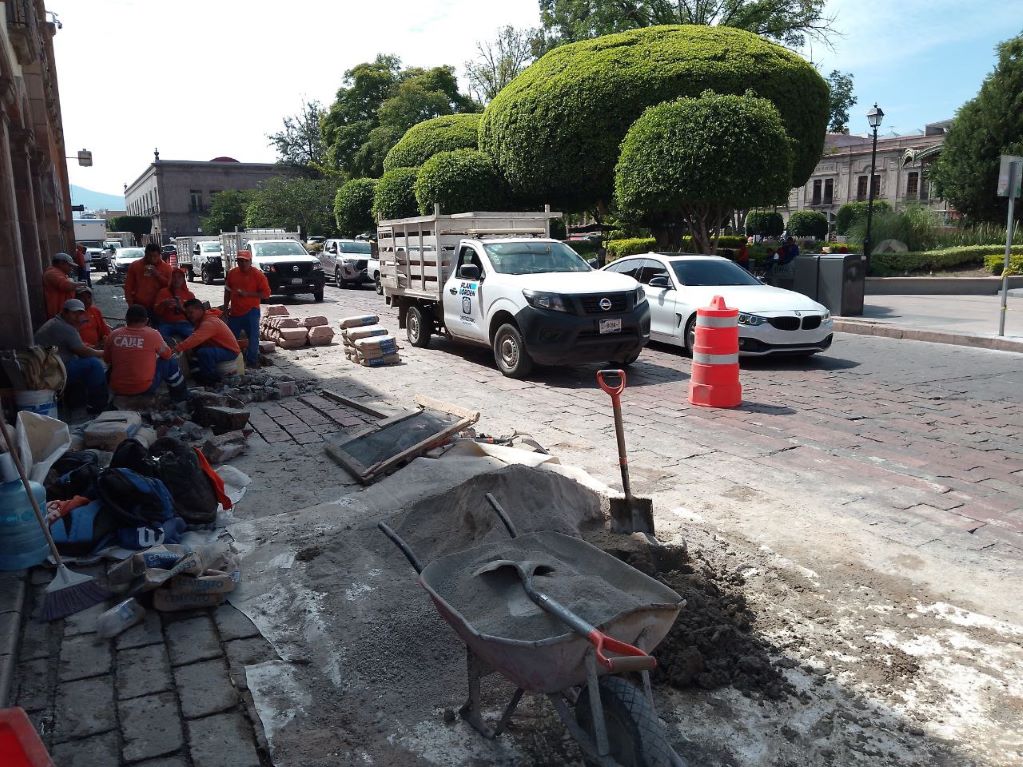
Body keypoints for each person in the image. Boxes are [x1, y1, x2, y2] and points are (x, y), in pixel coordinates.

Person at [34, 299, 108, 414]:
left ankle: (80, 402)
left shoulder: (55, 322)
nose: (77, 317)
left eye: (80, 314)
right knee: (95, 365)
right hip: (52, 370)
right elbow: (82, 351)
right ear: (64, 312)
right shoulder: (64, 327)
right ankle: (98, 404)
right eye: (74, 313)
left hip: (50, 364)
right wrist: (104, 353)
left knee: (89, 362)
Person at [104, 304, 188, 402]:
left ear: (126, 319)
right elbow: (167, 355)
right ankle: (181, 397)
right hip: (144, 389)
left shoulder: (114, 334)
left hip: (117, 388)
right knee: (169, 362)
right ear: (147, 320)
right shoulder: (153, 334)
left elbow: (107, 359)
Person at [173, 299, 241, 385]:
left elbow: (196, 338)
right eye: (187, 313)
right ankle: (199, 376)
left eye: (191, 312)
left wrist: (177, 348)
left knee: (204, 353)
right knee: (195, 352)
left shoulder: (209, 322)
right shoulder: (202, 320)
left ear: (200, 310)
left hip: (230, 351)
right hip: (219, 348)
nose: (188, 316)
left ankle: (211, 380)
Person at [223, 250, 270, 369]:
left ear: (250, 261)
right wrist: (225, 307)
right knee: (230, 337)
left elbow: (266, 294)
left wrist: (247, 294)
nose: (243, 263)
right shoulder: (232, 273)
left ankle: (252, 361)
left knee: (253, 337)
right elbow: (227, 291)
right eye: (240, 261)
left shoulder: (258, 275)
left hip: (251, 311)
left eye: (245, 261)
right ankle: (230, 360)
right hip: (235, 312)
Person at [124, 243, 172, 324]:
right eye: (149, 256)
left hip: (158, 305)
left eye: (155, 256)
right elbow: (128, 286)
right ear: (145, 254)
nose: (152, 259)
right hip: (139, 303)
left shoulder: (166, 268)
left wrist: (157, 275)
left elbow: (170, 286)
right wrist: (130, 303)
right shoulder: (135, 266)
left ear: (159, 255)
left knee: (157, 327)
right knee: (139, 327)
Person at [153, 268, 195, 342]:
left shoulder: (189, 295)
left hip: (183, 323)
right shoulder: (163, 292)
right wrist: (164, 304)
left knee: (194, 337)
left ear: (183, 279)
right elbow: (156, 312)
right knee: (158, 338)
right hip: (166, 323)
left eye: (179, 277)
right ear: (171, 279)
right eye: (174, 277)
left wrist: (181, 308)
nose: (176, 280)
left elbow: (194, 315)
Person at [43, 252, 84, 319]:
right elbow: (66, 285)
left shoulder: (60, 273)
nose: (71, 268)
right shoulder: (52, 273)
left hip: (64, 312)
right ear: (61, 263)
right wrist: (82, 284)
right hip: (58, 314)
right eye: (69, 266)